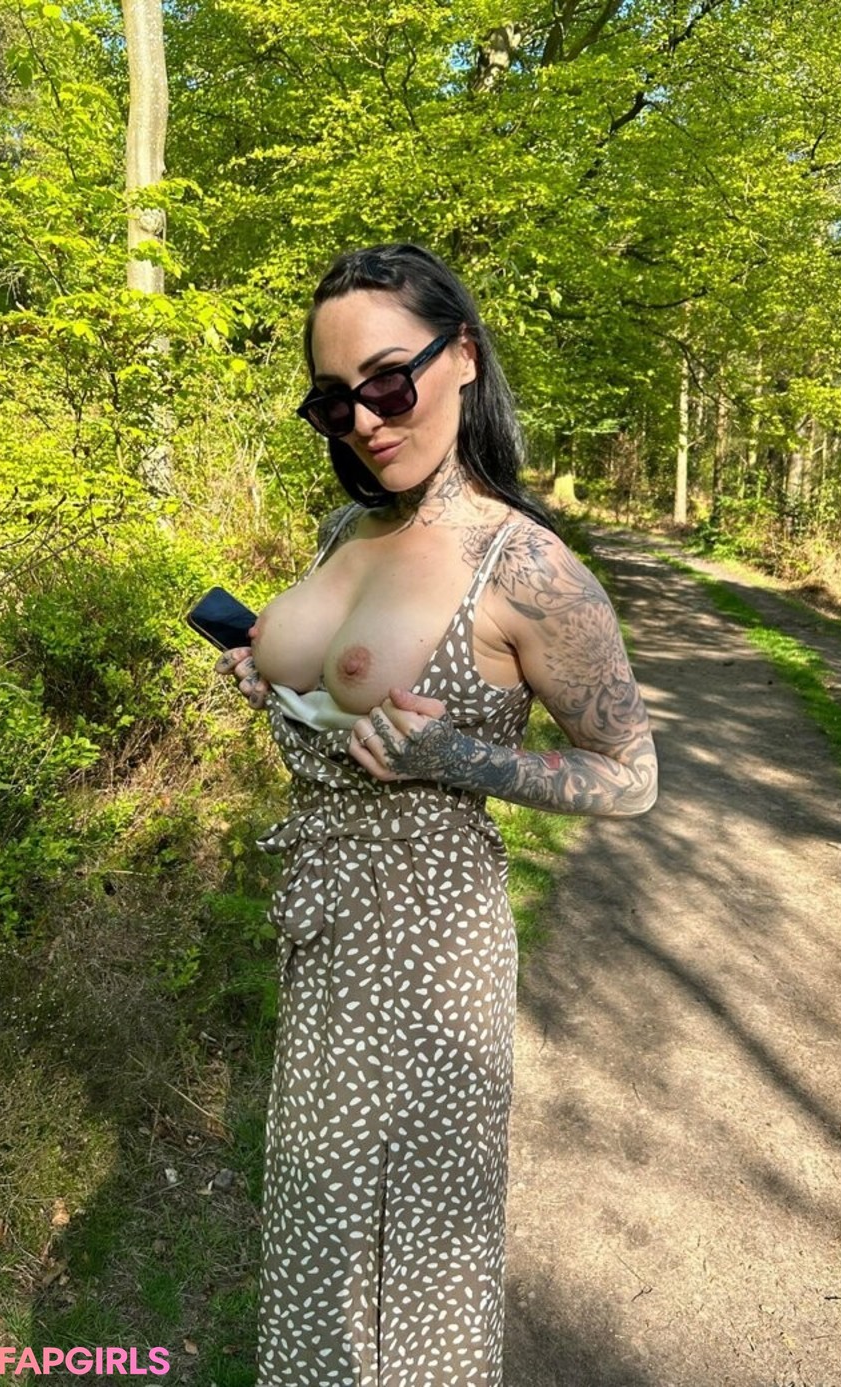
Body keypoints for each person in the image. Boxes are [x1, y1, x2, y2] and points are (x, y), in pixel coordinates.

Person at [215, 243, 657, 1387]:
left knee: (410, 1271)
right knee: (317, 1236)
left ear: (461, 356)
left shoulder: (528, 567)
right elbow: (339, 696)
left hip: (428, 966)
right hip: (322, 940)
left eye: (386, 383)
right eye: (333, 400)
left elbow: (630, 775)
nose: (363, 420)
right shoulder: (344, 530)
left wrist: (462, 757)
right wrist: (280, 685)